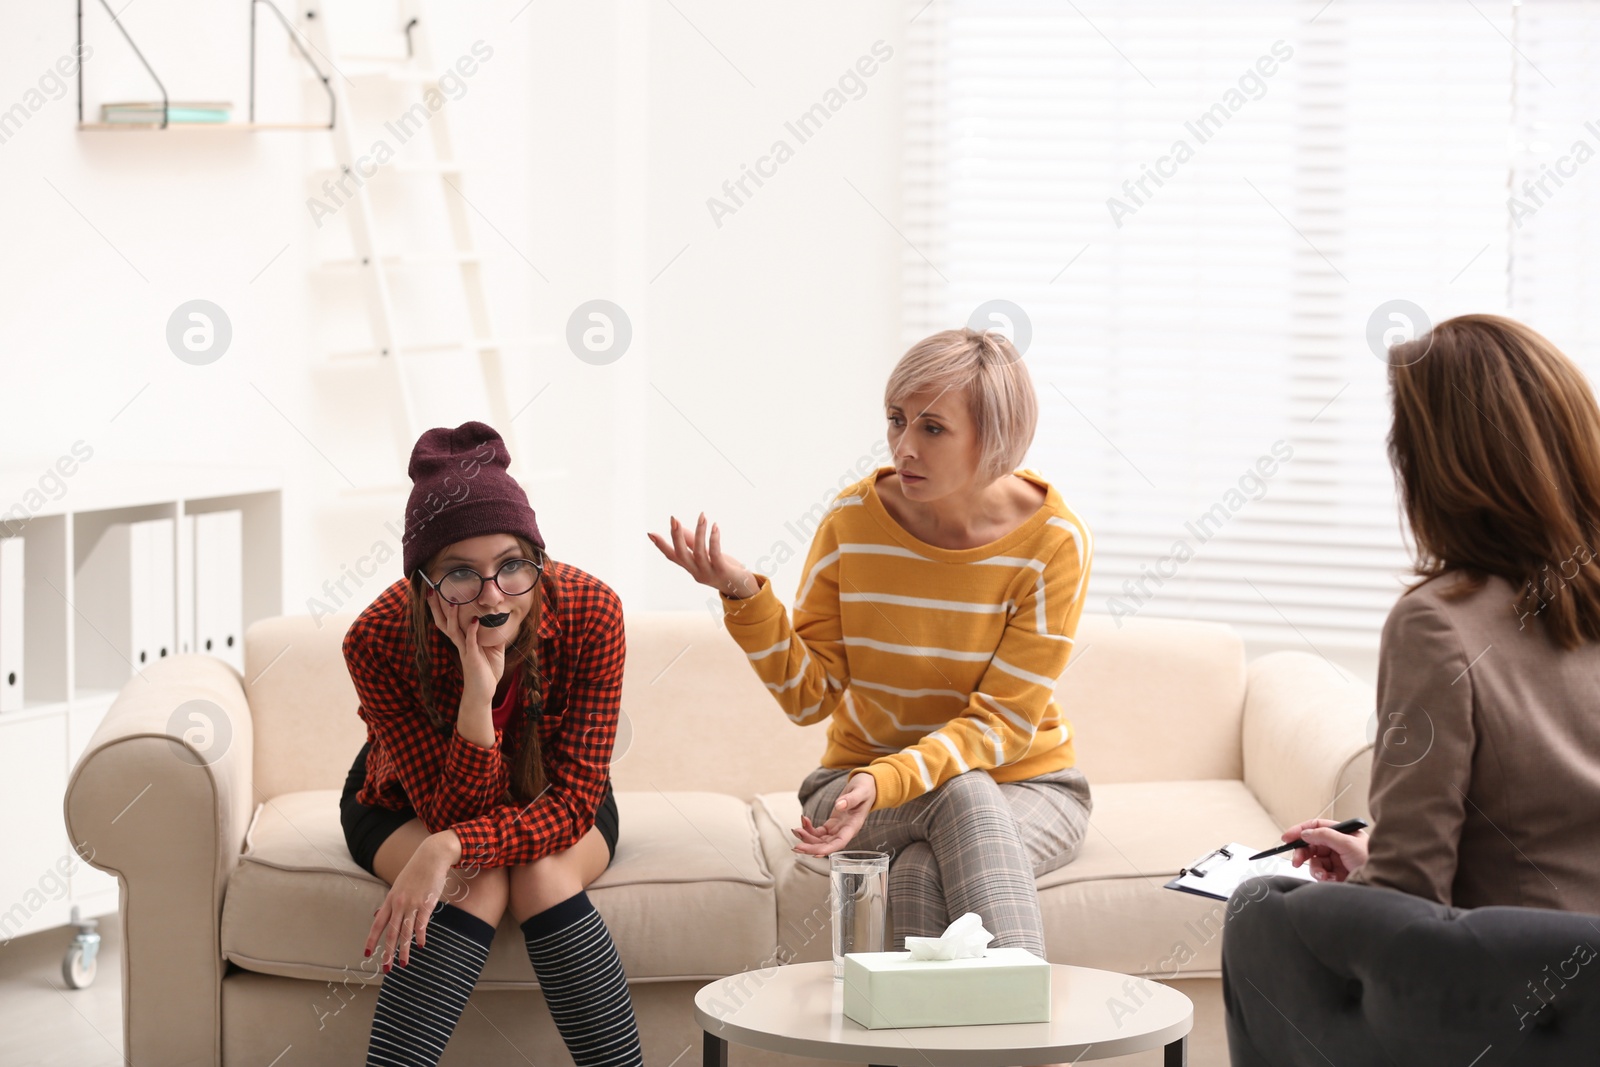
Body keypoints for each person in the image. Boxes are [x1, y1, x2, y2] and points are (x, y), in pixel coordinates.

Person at [649, 327, 1095, 957]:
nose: (902, 447)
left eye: (932, 429)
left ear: (993, 437)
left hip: (1029, 786)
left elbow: (1002, 724)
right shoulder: (852, 523)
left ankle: (944, 1047)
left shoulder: (1053, 541)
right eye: (895, 420)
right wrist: (745, 596)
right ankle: (1029, 1038)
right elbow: (810, 698)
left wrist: (890, 778)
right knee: (960, 796)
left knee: (922, 861)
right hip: (852, 785)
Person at [339, 421, 642, 1067]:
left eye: (512, 564)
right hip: (401, 799)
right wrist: (478, 697)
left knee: (539, 871)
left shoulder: (593, 612)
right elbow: (452, 814)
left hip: (556, 792)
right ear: (424, 582)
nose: (493, 593)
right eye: (460, 574)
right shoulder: (377, 638)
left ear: (535, 554)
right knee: (470, 884)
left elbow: (571, 802)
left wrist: (447, 846)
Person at [1277, 314, 1600, 913]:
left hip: (1520, 991)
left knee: (1263, 910)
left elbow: (1408, 901)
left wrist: (1383, 874)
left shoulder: (1437, 625)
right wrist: (1384, 860)